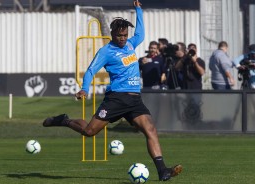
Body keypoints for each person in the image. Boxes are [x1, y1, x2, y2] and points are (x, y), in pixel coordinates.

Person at [42, 0, 182, 182]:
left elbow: (141, 32)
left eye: (125, 35)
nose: (123, 38)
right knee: (90, 132)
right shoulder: (106, 51)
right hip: (116, 98)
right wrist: (84, 88)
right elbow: (91, 70)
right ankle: (65, 120)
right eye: (119, 35)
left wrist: (138, 10)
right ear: (113, 34)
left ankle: (162, 170)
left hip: (134, 100)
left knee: (151, 130)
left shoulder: (132, 44)